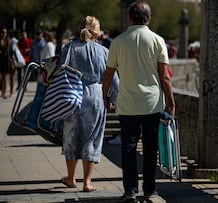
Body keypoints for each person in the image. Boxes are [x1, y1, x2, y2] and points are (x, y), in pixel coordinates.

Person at [102, 1, 175, 202]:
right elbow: (165, 77)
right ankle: (150, 189)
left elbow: (108, 75)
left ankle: (130, 190)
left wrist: (105, 96)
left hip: (127, 105)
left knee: (128, 147)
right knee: (151, 149)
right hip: (152, 103)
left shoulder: (118, 41)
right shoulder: (158, 40)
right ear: (148, 18)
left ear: (130, 17)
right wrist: (171, 102)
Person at [59, 16, 108, 192]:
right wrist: (115, 99)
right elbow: (111, 78)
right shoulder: (103, 51)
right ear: (97, 32)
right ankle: (87, 182)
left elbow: (60, 70)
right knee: (91, 138)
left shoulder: (70, 48)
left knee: (71, 136)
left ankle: (71, 178)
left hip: (72, 93)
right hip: (95, 96)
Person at [0, 28, 14, 98]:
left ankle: (8, 92)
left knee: (8, 78)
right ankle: (3, 92)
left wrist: (13, 62)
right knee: (3, 78)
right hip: (2, 62)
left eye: (5, 32)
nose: (4, 34)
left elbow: (12, 53)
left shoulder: (9, 41)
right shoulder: (0, 41)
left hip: (8, 61)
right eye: (2, 32)